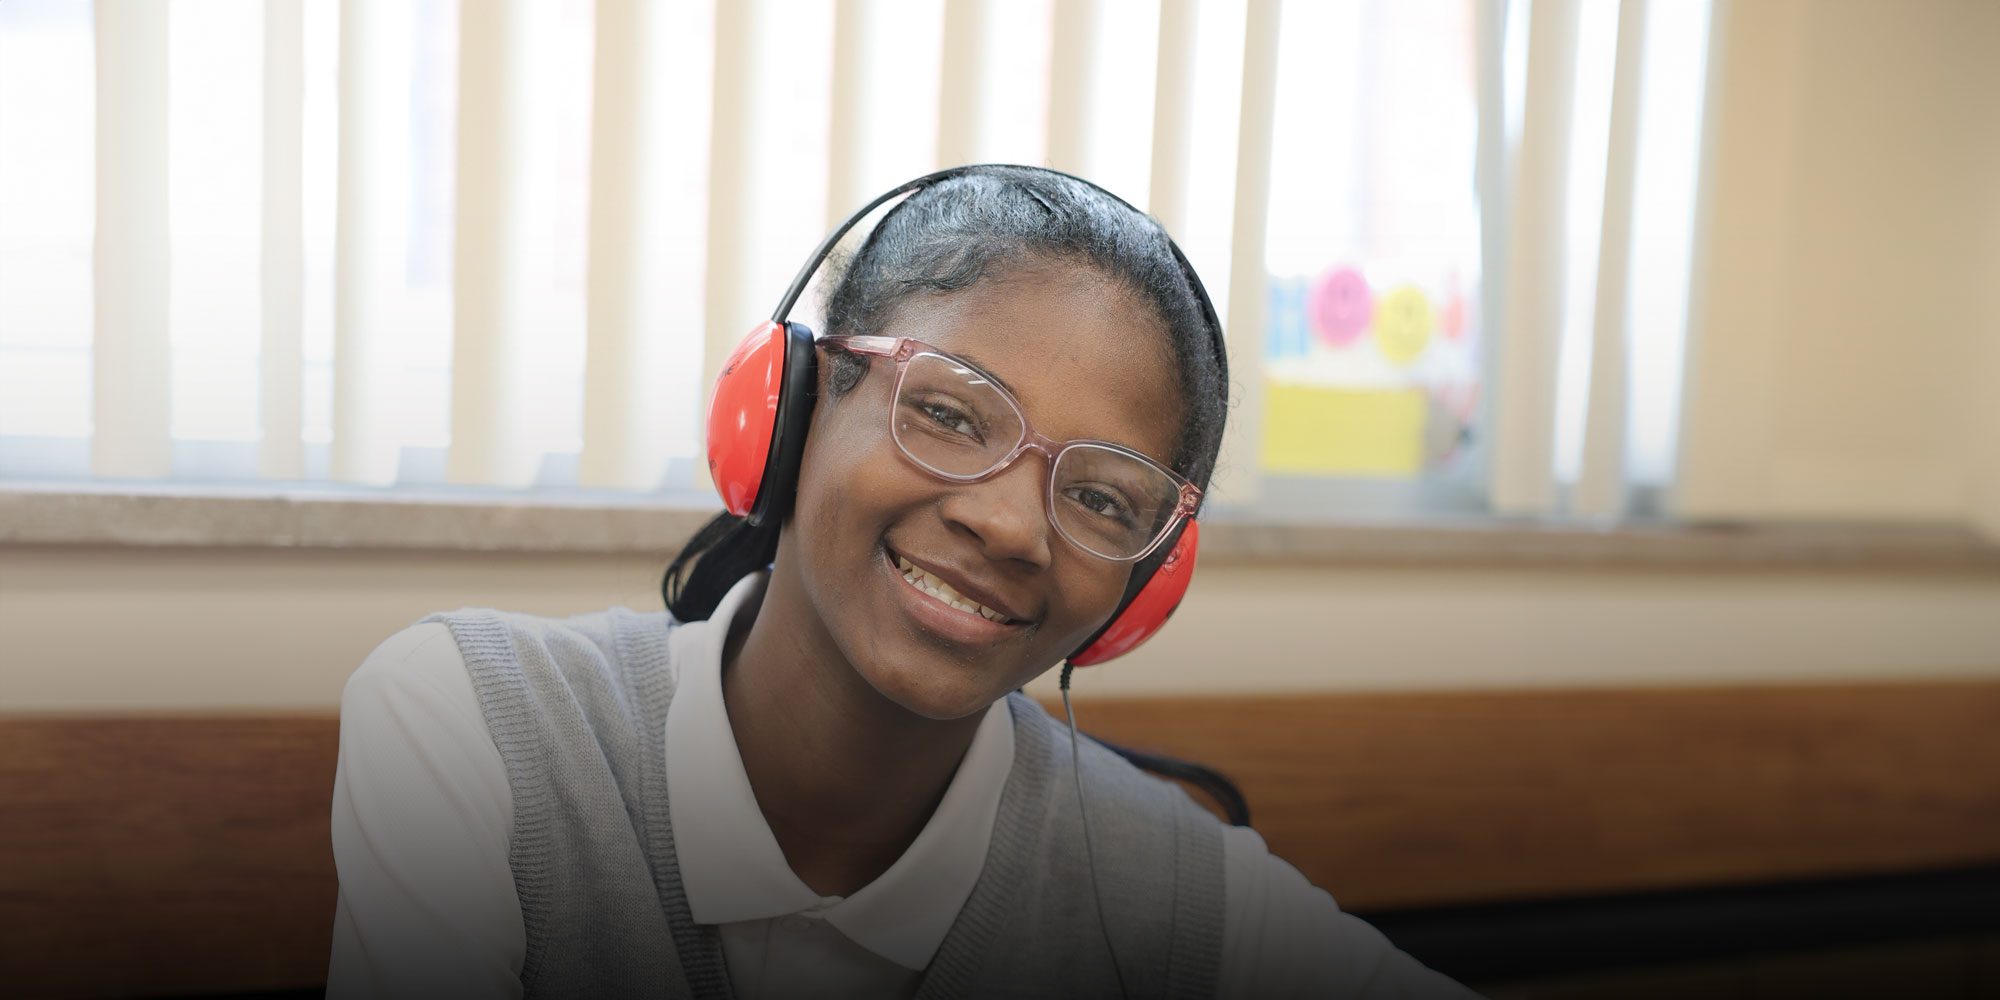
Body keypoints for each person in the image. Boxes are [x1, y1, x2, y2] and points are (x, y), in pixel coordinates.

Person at [328, 165, 1478, 999]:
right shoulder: (472, 725)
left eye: (1099, 499)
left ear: (1143, 585)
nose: (1009, 522)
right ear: (790, 407)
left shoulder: (1172, 889)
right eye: (944, 410)